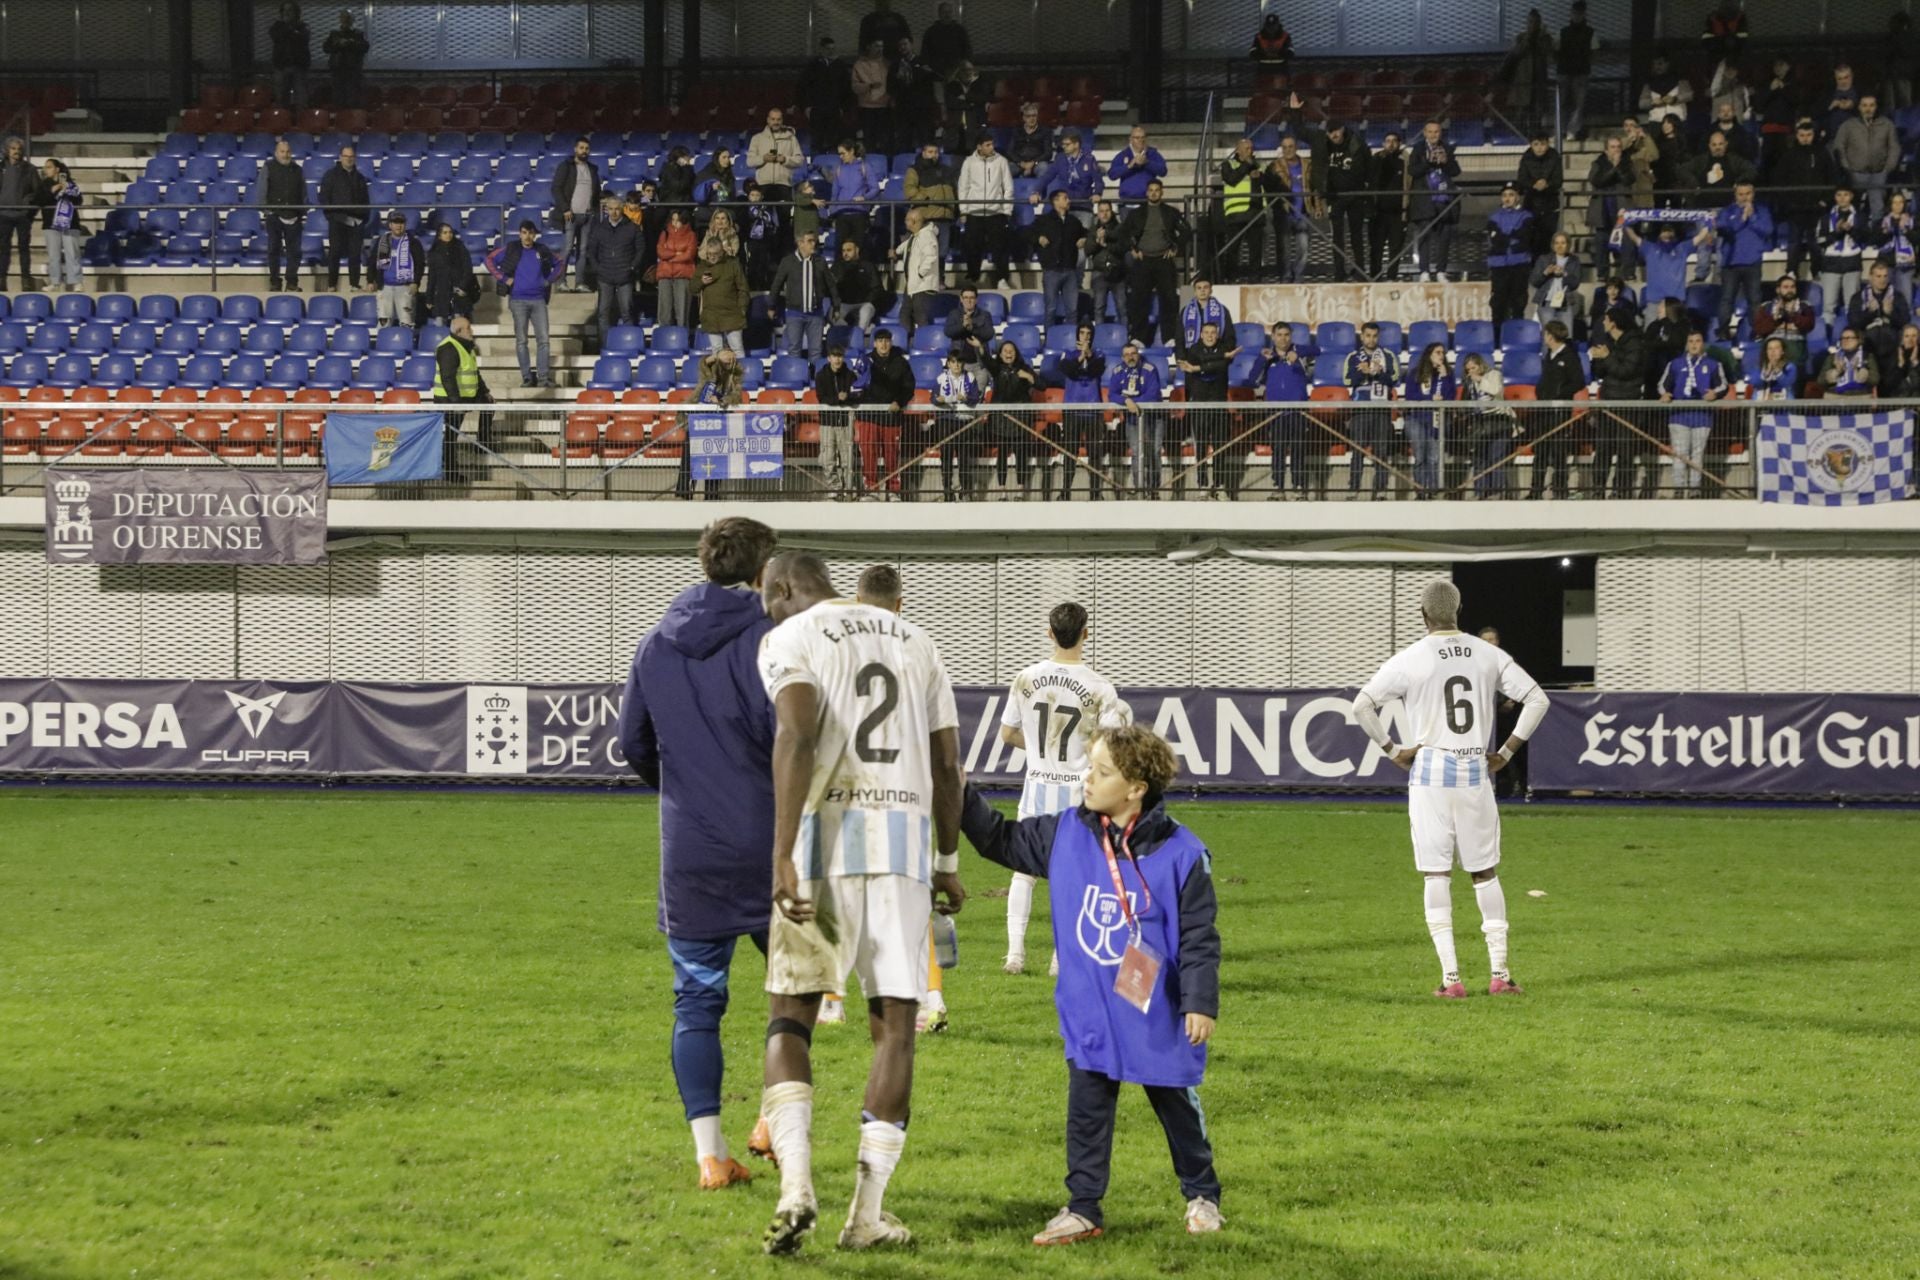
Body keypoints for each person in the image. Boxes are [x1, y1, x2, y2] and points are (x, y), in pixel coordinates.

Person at [754, 550, 965, 1255]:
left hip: (822, 846)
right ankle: (867, 1214)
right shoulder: (919, 639)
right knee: (896, 1028)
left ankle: (796, 1188)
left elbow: (796, 732)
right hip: (903, 851)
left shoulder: (791, 637)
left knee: (792, 1016)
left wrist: (783, 852)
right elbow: (946, 766)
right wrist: (946, 862)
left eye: (764, 598)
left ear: (784, 589)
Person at [958, 722, 1222, 1244]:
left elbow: (1198, 938)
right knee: (1087, 1109)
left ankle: (1202, 1194)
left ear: (1136, 788)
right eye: (1090, 766)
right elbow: (999, 839)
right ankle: (1083, 1209)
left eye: (1101, 771)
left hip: (1155, 1009)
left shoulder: (1185, 853)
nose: (1086, 778)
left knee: (1176, 1104)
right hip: (1092, 1008)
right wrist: (961, 790)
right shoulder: (1065, 832)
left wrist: (1199, 1002)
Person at [616, 516, 779, 1191]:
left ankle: (710, 1157)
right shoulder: (774, 639)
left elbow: (633, 745)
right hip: (774, 845)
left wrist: (682, 787)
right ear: (761, 571)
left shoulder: (656, 643)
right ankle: (774, 1114)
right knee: (795, 992)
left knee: (696, 1004)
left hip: (691, 853)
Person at [1352, 580, 1550, 999]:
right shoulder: (1488, 654)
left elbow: (1362, 705)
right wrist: (1507, 751)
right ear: (1459, 609)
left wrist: (1392, 750)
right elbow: (1537, 699)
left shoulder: (1410, 658)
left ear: (1423, 615)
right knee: (1484, 871)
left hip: (1429, 771)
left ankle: (1452, 980)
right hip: (1476, 769)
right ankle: (1500, 974)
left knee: (1436, 872)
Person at [996, 601, 1131, 972]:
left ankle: (1015, 956)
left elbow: (1007, 733)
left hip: (1036, 787)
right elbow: (1111, 744)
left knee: (1023, 872)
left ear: (1049, 633)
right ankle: (1059, 958)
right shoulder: (1100, 688)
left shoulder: (1025, 678)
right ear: (1086, 634)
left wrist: (1044, 749)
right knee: (1070, 874)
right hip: (1075, 793)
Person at [483, 221, 563, 388]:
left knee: (544, 340)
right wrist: (504, 279)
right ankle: (527, 377)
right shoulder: (511, 248)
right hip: (518, 300)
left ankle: (543, 378)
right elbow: (489, 260)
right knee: (522, 341)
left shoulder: (542, 250)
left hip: (538, 300)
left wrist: (549, 280)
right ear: (520, 234)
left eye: (530, 233)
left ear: (535, 235)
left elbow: (560, 262)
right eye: (524, 232)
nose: (527, 236)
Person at [1298, 110, 1371, 282]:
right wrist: (1295, 112)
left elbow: (1369, 168)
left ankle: (1360, 271)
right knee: (1337, 237)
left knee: (1357, 235)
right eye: (1330, 132)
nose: (1334, 135)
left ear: (1343, 129)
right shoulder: (1320, 141)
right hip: (1334, 196)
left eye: (1337, 130)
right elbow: (1300, 131)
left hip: (1355, 195)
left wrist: (1367, 192)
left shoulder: (1357, 143)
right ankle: (1339, 272)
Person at [1658, 330, 1728, 497]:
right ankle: (1678, 489)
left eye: (1698, 341)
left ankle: (1695, 490)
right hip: (1679, 415)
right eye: (1691, 341)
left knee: (1697, 455)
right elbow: (1662, 384)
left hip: (1702, 416)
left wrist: (1715, 394)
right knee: (1680, 454)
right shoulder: (1675, 364)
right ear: (1686, 344)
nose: (1694, 344)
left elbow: (1724, 385)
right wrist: (1665, 394)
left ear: (1703, 343)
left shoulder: (1713, 364)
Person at [1587, 305, 1647, 499]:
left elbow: (1626, 371)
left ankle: (1621, 490)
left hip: (1627, 404)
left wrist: (1607, 357)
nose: (1603, 323)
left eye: (1606, 319)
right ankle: (1598, 488)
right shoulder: (1607, 342)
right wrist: (1596, 359)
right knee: (1603, 448)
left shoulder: (1635, 344)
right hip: (1608, 403)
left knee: (1625, 449)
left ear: (1613, 323)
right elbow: (1600, 372)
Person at [1121, 181, 1189, 346]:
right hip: (1143, 261)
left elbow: (1186, 231)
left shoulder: (1171, 212)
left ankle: (1169, 338)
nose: (1153, 193)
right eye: (1150, 190)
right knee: (1139, 300)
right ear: (1146, 193)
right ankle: (1138, 338)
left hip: (1163, 261)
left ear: (1162, 192)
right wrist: (1132, 249)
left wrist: (1175, 248)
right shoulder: (1136, 213)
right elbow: (1123, 233)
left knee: (1169, 300)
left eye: (1157, 190)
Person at [1179, 320, 1239, 499]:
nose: (1210, 336)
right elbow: (1213, 363)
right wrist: (1217, 362)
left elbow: (1220, 366)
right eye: (1207, 332)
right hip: (1200, 405)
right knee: (1201, 448)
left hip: (1219, 406)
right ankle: (1203, 486)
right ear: (1201, 334)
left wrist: (1199, 368)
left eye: (1213, 332)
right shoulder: (1194, 350)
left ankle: (1220, 486)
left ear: (1217, 334)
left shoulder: (1224, 349)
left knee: (1220, 447)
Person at [1770, 120, 1835, 281]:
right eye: (1802, 135)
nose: (1805, 138)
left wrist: (1825, 200)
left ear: (1814, 135)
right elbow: (1780, 180)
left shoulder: (1822, 153)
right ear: (1797, 136)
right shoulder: (1789, 155)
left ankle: (1817, 271)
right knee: (1794, 241)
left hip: (1817, 208)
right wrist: (1788, 202)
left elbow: (1832, 178)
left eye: (1808, 135)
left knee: (1815, 242)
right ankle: (1791, 271)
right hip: (1796, 208)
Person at [1258, 323, 1316, 498]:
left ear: (1290, 336)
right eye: (1279, 335)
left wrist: (1299, 354)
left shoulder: (1298, 352)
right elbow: (1252, 378)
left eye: (1286, 335)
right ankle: (1278, 488)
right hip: (1275, 413)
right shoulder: (1268, 356)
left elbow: (1318, 350)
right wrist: (1262, 360)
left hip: (1298, 411)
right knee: (1278, 450)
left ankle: (1298, 488)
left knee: (1298, 449)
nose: (1283, 338)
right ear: (1273, 337)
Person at [432, 314, 492, 479]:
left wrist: (484, 391)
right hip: (449, 399)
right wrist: (456, 403)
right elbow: (447, 378)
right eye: (468, 328)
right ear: (459, 331)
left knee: (489, 405)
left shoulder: (467, 346)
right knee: (451, 436)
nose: (472, 330)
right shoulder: (448, 348)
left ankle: (483, 443)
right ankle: (450, 472)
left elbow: (474, 372)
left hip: (467, 395)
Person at [1711, 181, 1774, 338]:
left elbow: (1768, 230)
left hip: (1752, 261)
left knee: (1754, 300)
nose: (1745, 197)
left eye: (1748, 193)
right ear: (1735, 195)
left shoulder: (1762, 211)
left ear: (1753, 194)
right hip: (1730, 263)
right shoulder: (1727, 211)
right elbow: (1725, 228)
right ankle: (1723, 332)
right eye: (1741, 194)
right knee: (1727, 299)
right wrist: (1742, 218)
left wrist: (1752, 217)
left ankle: (1757, 332)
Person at [1343, 323, 1398, 498]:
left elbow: (1394, 379)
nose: (1371, 339)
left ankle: (1380, 490)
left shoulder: (1388, 355)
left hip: (1381, 409)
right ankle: (1354, 490)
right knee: (1357, 451)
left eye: (1374, 336)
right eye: (1368, 335)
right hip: (1360, 410)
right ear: (1362, 337)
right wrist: (1363, 373)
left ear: (1378, 337)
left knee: (1381, 451)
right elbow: (1347, 380)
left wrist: (1377, 373)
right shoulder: (1353, 356)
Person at [860, 328, 916, 498]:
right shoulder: (865, 361)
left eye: (887, 340)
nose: (884, 344)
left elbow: (909, 387)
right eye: (880, 340)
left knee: (892, 454)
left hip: (892, 418)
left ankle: (893, 490)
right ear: (875, 343)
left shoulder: (901, 362)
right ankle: (871, 490)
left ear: (891, 342)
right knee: (869, 454)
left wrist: (899, 401)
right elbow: (856, 384)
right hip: (869, 417)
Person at [1530, 320, 1582, 499]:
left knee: (1559, 452)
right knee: (1541, 452)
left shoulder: (1569, 356)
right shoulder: (1548, 356)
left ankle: (1560, 489)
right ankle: (1535, 490)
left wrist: (1561, 394)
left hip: (1559, 411)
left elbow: (1578, 382)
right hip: (1544, 411)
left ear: (1551, 336)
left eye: (1545, 334)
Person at [1058, 325, 1109, 500]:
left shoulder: (1099, 354)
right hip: (1072, 410)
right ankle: (1065, 491)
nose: (1085, 336)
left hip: (1093, 410)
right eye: (1082, 333)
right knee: (1070, 453)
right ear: (1077, 335)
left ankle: (1095, 493)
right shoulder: (1068, 353)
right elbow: (1069, 371)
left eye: (1089, 334)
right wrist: (1081, 357)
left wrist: (1089, 356)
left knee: (1094, 453)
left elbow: (1096, 370)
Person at [1459, 352, 1519, 498]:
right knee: (1480, 459)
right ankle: (1480, 492)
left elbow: (1496, 390)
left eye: (1473, 368)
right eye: (1468, 370)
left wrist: (1479, 380)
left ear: (1480, 365)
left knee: (1496, 459)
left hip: (1498, 421)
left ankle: (1497, 492)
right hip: (1480, 423)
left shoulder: (1494, 375)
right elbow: (1465, 402)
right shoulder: (1469, 382)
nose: (1471, 372)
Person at [986, 338, 1041, 497]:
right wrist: (980, 348)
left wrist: (1029, 378)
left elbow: (1042, 385)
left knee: (1021, 453)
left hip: (1020, 418)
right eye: (1005, 351)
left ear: (1016, 354)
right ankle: (1002, 490)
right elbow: (985, 360)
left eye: (1012, 351)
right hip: (1001, 419)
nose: (1009, 354)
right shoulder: (996, 369)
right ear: (1001, 354)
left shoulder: (1024, 368)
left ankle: (1019, 489)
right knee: (1002, 454)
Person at [252, 137, 308, 295]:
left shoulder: (298, 169)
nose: (285, 154)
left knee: (294, 252)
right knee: (274, 250)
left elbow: (303, 191)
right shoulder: (268, 167)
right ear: (276, 153)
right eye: (282, 151)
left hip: (295, 216)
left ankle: (292, 282)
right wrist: (267, 211)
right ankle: (275, 282)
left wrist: (303, 210)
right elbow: (262, 191)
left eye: (288, 151)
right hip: (274, 216)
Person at [957, 134, 1013, 287]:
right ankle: (973, 277)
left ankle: (1002, 279)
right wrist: (963, 210)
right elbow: (963, 187)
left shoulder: (1001, 161)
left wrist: (1006, 210)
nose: (991, 147)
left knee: (1000, 248)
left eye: (992, 144)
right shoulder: (968, 162)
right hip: (974, 213)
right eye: (987, 145)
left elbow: (1008, 187)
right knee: (972, 247)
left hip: (996, 213)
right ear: (979, 146)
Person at [1109, 342, 1163, 496]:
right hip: (1132, 420)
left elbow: (1153, 394)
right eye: (1126, 354)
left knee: (1154, 452)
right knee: (1136, 453)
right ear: (1122, 357)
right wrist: (1126, 401)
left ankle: (1154, 490)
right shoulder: (1117, 371)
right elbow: (1112, 394)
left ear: (1138, 354)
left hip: (1154, 418)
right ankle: (1140, 488)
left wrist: (1133, 401)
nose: (1130, 357)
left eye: (1133, 353)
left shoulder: (1150, 369)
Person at [1402, 341, 1454, 498]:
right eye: (1438, 352)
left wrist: (1444, 377)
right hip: (1416, 418)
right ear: (1429, 355)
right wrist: (1430, 398)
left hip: (1436, 419)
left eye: (1443, 353)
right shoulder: (1415, 373)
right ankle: (1420, 490)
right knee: (1420, 456)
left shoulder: (1447, 375)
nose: (1441, 356)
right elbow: (1410, 396)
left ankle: (1432, 490)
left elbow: (1450, 397)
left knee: (1433, 457)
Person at [1836, 95, 1899, 224]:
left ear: (1876, 107)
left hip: (1879, 173)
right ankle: (1855, 233)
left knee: (1878, 207)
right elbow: (1838, 147)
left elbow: (1894, 147)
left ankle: (1876, 234)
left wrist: (1888, 168)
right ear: (1859, 107)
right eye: (1864, 105)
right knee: (1853, 206)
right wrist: (1847, 167)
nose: (1868, 109)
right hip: (1855, 173)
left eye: (1871, 105)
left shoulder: (1887, 124)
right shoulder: (1848, 125)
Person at [547, 137, 599, 293]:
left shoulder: (592, 169)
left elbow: (596, 191)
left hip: (587, 216)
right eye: (581, 148)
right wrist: (565, 208)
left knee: (583, 250)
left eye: (587, 148)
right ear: (575, 149)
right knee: (568, 248)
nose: (584, 151)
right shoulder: (566, 166)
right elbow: (556, 188)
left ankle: (580, 283)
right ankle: (561, 282)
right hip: (571, 215)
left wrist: (595, 210)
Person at [932, 348, 985, 501]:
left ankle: (965, 491)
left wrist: (966, 398)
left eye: (959, 362)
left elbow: (975, 398)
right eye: (953, 362)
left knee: (964, 457)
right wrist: (938, 400)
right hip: (946, 421)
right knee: (946, 456)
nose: (956, 365)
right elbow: (933, 398)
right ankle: (947, 490)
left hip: (965, 421)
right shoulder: (941, 378)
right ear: (948, 363)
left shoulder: (970, 376)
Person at [1619, 220, 1695, 324]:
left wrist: (1708, 222)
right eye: (1664, 231)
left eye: (1670, 231)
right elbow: (1633, 236)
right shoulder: (1649, 248)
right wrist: (1625, 221)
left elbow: (1699, 238)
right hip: (1654, 302)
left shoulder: (1682, 248)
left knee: (1677, 335)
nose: (1667, 234)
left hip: (1675, 303)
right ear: (1659, 233)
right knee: (1650, 335)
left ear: (1674, 233)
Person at [317, 145, 370, 291]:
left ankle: (354, 284)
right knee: (334, 253)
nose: (349, 159)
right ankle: (332, 285)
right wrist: (331, 216)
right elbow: (324, 198)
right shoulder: (330, 175)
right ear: (340, 157)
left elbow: (366, 200)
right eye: (346, 156)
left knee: (355, 255)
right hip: (337, 220)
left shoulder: (360, 178)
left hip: (356, 222)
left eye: (351, 156)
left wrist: (363, 218)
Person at [1261, 138, 1314, 283]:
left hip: (1303, 212)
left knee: (1304, 248)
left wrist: (1317, 206)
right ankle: (1285, 277)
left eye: (1290, 147)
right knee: (1284, 249)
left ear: (1296, 147)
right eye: (1284, 147)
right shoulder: (1273, 166)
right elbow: (1268, 187)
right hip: (1283, 214)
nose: (1288, 150)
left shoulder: (1307, 165)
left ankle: (1297, 276)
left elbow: (1314, 185)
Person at [1408, 142, 1461, 282]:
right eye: (1430, 132)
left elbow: (1456, 171)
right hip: (1425, 202)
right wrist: (1427, 162)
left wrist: (1446, 162)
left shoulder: (1447, 149)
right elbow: (1412, 171)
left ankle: (1441, 271)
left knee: (1444, 238)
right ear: (1425, 133)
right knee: (1424, 237)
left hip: (1444, 202)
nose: (1433, 135)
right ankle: (1424, 271)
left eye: (1436, 132)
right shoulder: (1418, 149)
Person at [1486, 183, 1536, 330]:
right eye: (1504, 195)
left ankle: (1516, 336)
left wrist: (1504, 238)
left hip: (1519, 263)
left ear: (1517, 197)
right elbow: (1495, 240)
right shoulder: (1493, 217)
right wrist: (1513, 237)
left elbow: (1525, 237)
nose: (1507, 198)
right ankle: (1496, 338)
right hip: (1499, 264)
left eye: (1511, 195)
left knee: (1518, 302)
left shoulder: (1526, 216)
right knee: (1498, 302)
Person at [1033, 189, 1086, 327]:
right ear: (1056, 201)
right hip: (1051, 270)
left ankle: (1071, 342)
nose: (1069, 200)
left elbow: (1085, 232)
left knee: (1072, 310)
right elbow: (1026, 233)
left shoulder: (1073, 221)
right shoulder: (1044, 220)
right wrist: (1038, 238)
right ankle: (1050, 341)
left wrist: (1084, 238)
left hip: (1070, 270)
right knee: (1050, 309)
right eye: (1065, 198)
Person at [903, 142, 957, 279]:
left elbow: (954, 191)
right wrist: (926, 199)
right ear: (924, 153)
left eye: (936, 152)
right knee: (927, 253)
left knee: (942, 253)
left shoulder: (947, 170)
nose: (934, 155)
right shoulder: (915, 170)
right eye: (930, 152)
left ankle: (940, 279)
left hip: (945, 216)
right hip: (926, 217)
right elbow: (909, 191)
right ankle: (923, 280)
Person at [1585, 136, 1635, 281]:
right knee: (1601, 243)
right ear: (1606, 150)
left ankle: (1628, 272)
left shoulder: (1627, 163)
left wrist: (1618, 166)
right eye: (1613, 147)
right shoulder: (1598, 163)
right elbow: (1597, 181)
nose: (1616, 150)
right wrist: (1614, 168)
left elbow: (1629, 180)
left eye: (1618, 147)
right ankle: (1602, 274)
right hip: (1603, 209)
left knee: (1627, 241)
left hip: (1621, 208)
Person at [813, 345, 860, 497]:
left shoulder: (850, 375)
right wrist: (837, 399)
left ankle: (849, 487)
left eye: (840, 356)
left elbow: (858, 394)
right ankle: (834, 487)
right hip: (827, 422)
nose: (837, 359)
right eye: (834, 356)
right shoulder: (821, 375)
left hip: (846, 422)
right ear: (829, 358)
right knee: (827, 458)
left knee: (848, 458)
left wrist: (848, 397)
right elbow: (821, 397)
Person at [364, 212, 423, 330]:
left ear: (405, 225)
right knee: (383, 322)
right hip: (385, 287)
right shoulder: (382, 241)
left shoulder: (413, 242)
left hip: (405, 287)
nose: (398, 226)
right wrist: (370, 280)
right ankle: (383, 347)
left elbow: (419, 263)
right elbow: (372, 261)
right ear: (390, 225)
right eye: (395, 223)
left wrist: (416, 282)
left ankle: (406, 345)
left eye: (401, 223)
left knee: (406, 322)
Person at [698, 225, 750, 357]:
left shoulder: (733, 264)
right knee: (717, 352)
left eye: (715, 254)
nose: (712, 257)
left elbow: (743, 288)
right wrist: (701, 281)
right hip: (711, 316)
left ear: (722, 252)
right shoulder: (702, 266)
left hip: (732, 315)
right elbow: (692, 287)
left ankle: (741, 378)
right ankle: (719, 377)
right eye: (710, 254)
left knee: (737, 350)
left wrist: (742, 308)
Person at [1848, 260, 1912, 370]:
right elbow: (1853, 323)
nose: (1882, 280)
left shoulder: (1897, 296)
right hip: (1868, 344)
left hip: (1891, 344)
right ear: (1871, 277)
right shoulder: (1858, 297)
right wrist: (1870, 314)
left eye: (1885, 276)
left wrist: (1890, 314)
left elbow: (1905, 321)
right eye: (1878, 276)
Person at [1816, 185, 1866, 324]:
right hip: (1830, 264)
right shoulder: (1826, 218)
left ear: (1851, 196)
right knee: (1828, 307)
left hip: (1852, 263)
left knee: (1852, 306)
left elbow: (1864, 239)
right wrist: (1837, 232)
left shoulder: (1860, 217)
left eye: (1846, 194)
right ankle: (1828, 337)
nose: (1842, 198)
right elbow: (1820, 241)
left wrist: (1850, 230)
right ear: (1835, 197)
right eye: (1839, 195)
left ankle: (1852, 337)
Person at [1215, 136, 1262, 283]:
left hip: (1255, 212)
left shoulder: (1259, 165)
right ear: (1238, 150)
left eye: (1251, 148)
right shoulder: (1228, 164)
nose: (1250, 151)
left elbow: (1267, 183)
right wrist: (1247, 166)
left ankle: (1254, 279)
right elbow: (1231, 179)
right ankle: (1231, 278)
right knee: (1233, 249)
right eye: (1247, 148)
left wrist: (1260, 176)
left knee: (1255, 250)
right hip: (1235, 213)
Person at [1503, 9, 1555, 134]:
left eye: (1536, 22)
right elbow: (1516, 53)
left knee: (1537, 111)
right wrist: (1528, 38)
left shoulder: (1545, 38)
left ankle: (1535, 135)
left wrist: (1540, 37)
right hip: (1523, 80)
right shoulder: (1520, 37)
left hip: (1539, 80)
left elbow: (1548, 54)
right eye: (1530, 22)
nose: (1533, 25)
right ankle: (1518, 135)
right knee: (1521, 110)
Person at [36, 159, 82, 295]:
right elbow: (39, 201)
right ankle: (55, 282)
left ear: (57, 169)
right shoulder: (44, 184)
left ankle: (76, 282)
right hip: (50, 224)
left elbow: (78, 200)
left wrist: (66, 189)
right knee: (53, 255)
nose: (46, 170)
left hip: (70, 223)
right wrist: (53, 190)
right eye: (45, 167)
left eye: (49, 167)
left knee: (72, 253)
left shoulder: (70, 183)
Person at [895, 208, 942, 338]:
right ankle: (906, 342)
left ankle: (924, 344)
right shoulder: (916, 236)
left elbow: (931, 256)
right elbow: (907, 246)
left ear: (914, 221)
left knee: (921, 317)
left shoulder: (927, 235)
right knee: (905, 314)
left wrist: (920, 273)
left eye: (907, 220)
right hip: (912, 285)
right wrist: (897, 252)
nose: (905, 222)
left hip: (922, 285)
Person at [1039, 130, 1102, 226]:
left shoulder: (1089, 159)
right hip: (1065, 208)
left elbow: (1098, 180)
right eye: (1063, 144)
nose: (1063, 146)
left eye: (1067, 144)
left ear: (1076, 144)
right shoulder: (1060, 159)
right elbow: (1047, 177)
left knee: (1084, 237)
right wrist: (1036, 191)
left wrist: (1097, 193)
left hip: (1084, 206)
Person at [422, 220, 478, 327]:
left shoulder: (460, 248)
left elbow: (468, 269)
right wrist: (429, 297)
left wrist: (462, 287)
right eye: (445, 232)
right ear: (439, 235)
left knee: (458, 324)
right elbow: (432, 277)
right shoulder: (434, 252)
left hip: (458, 292)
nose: (448, 235)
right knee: (439, 324)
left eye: (450, 232)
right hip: (442, 294)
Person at [647, 207, 693, 333]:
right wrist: (677, 254)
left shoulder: (691, 235)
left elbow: (688, 255)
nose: (674, 223)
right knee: (664, 312)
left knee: (682, 313)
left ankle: (682, 339)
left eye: (677, 220)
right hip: (665, 275)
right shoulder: (664, 234)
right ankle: (664, 339)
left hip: (683, 275)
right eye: (673, 220)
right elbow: (661, 252)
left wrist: (669, 257)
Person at [1085, 200, 1131, 324]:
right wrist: (1097, 240)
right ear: (1097, 214)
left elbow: (1123, 248)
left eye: (1107, 211)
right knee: (1099, 309)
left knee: (1122, 308)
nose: (1104, 214)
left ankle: (1125, 338)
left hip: (1119, 273)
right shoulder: (1093, 230)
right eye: (1101, 211)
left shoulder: (1120, 229)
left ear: (1112, 212)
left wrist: (1106, 243)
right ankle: (1099, 338)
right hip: (1099, 273)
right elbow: (1087, 250)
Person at [1369, 132, 1408, 279]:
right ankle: (1375, 277)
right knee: (1376, 248)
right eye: (1387, 141)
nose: (1391, 144)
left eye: (1394, 141)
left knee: (1395, 248)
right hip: (1378, 212)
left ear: (1399, 143)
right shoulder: (1377, 159)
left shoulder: (1405, 161)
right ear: (1383, 143)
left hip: (1398, 212)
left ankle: (1392, 277)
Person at [797, 37, 848, 145]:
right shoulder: (812, 65)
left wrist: (843, 107)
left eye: (833, 48)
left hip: (834, 107)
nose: (831, 51)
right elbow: (804, 86)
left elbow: (845, 87)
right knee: (817, 140)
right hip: (817, 108)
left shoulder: (840, 65)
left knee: (833, 139)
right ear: (821, 49)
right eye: (828, 48)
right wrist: (806, 106)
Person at [1530, 230, 1582, 334]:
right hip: (1547, 303)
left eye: (1563, 243)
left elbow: (1575, 283)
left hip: (1565, 303)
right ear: (1553, 245)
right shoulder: (1544, 259)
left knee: (1566, 335)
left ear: (1568, 245)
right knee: (1549, 336)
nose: (1559, 246)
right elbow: (1534, 281)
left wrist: (1565, 274)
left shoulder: (1574, 261)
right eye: (1557, 243)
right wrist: (1545, 273)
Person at [1556, 1, 1594, 140]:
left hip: (1571, 71)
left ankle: (1567, 130)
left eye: (1579, 13)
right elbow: (1594, 52)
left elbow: (1556, 50)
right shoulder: (1589, 32)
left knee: (1572, 103)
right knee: (1570, 103)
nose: (1577, 15)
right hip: (1575, 71)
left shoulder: (1563, 32)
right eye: (1575, 12)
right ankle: (1567, 130)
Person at [827, 141, 873, 256]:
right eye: (839, 154)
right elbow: (834, 193)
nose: (840, 157)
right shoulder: (839, 169)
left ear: (851, 151)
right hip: (842, 215)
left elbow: (875, 188)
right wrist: (833, 212)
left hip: (859, 214)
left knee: (860, 249)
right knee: (839, 250)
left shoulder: (865, 167)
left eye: (843, 153)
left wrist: (864, 197)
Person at [1515, 134, 1561, 247]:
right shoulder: (1526, 158)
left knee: (1548, 238)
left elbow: (1558, 180)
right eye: (1536, 144)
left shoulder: (1555, 157)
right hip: (1531, 203)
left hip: (1550, 204)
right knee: (1530, 237)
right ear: (1531, 145)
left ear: (1548, 144)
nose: (1539, 148)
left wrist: (1547, 184)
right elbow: (1521, 179)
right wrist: (1533, 185)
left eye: (1543, 144)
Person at [747, 108, 800, 206]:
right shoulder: (757, 138)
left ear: (782, 120)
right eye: (773, 119)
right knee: (765, 216)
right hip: (763, 185)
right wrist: (763, 158)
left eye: (778, 119)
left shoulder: (791, 138)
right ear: (768, 120)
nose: (776, 122)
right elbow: (749, 161)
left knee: (784, 219)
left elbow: (799, 160)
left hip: (784, 184)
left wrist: (785, 159)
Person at [1107, 127, 1168, 208]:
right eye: (1137, 138)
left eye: (1143, 137)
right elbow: (1112, 174)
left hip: (1147, 203)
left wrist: (1147, 162)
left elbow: (1163, 171)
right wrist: (1129, 166)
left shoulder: (1152, 154)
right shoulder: (1123, 155)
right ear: (1130, 139)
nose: (1140, 140)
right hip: (1127, 204)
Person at [851, 40, 894, 156]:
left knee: (885, 139)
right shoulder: (859, 65)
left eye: (882, 46)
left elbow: (894, 84)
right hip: (867, 107)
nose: (880, 49)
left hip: (885, 106)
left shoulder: (887, 64)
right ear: (868, 47)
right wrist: (869, 86)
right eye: (876, 46)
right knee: (869, 140)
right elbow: (855, 87)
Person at [829, 237, 878, 336]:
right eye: (843, 251)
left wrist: (869, 300)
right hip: (844, 303)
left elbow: (876, 288)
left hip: (865, 303)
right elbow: (830, 287)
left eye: (849, 250)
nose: (845, 253)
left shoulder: (868, 266)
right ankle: (850, 334)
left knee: (865, 313)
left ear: (857, 250)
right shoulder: (837, 267)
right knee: (832, 315)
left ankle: (858, 337)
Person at [322, 8, 370, 109]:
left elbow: (365, 47)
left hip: (353, 70)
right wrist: (338, 44)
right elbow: (326, 48)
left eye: (348, 18)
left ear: (353, 19)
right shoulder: (334, 33)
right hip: (337, 69)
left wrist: (351, 43)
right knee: (338, 97)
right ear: (340, 19)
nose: (345, 20)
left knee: (352, 97)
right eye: (343, 17)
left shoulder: (358, 34)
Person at [268, 3, 311, 110]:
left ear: (296, 12)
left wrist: (290, 29)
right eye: (284, 10)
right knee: (281, 97)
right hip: (281, 67)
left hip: (299, 66)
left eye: (290, 10)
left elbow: (302, 38)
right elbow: (275, 36)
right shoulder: (277, 26)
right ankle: (283, 120)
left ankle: (301, 120)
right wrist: (288, 28)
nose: (287, 13)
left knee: (301, 98)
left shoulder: (303, 26)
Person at [942, 285, 995, 369]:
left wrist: (972, 327)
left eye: (972, 298)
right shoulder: (954, 314)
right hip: (958, 363)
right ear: (961, 299)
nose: (968, 301)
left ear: (976, 300)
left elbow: (989, 334)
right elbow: (948, 331)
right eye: (965, 297)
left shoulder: (985, 315)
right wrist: (963, 325)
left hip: (979, 363)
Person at [1878, 191, 1915, 303]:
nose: (1898, 205)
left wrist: (1905, 229)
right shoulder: (1882, 221)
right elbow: (1875, 241)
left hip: (1905, 265)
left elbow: (1916, 239)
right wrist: (1885, 232)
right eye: (1895, 202)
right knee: (1885, 300)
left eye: (1900, 202)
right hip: (1886, 264)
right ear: (1890, 204)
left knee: (1904, 300)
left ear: (1904, 204)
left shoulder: (1913, 221)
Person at [1820, 327, 1878, 396]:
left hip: (1860, 397)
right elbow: (1821, 381)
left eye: (1848, 338)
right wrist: (1836, 371)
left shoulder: (1867, 357)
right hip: (1836, 397)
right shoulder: (1833, 357)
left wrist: (1860, 371)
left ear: (1859, 340)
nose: (1845, 341)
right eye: (1842, 338)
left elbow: (1875, 379)